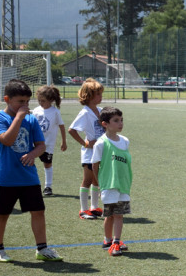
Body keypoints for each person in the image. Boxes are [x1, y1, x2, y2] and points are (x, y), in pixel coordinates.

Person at [0, 79, 62, 262]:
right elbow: (6, 140)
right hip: (5, 176)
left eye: (27, 102)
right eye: (20, 101)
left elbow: (41, 146)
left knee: (38, 211)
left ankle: (42, 249)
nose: (25, 105)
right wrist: (19, 118)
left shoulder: (31, 119)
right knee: (2, 213)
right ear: (7, 99)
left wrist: (33, 154)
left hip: (28, 176)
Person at [91, 107, 132, 257]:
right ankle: (110, 241)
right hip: (109, 185)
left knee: (118, 214)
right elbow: (95, 165)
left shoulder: (125, 141)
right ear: (105, 124)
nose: (120, 123)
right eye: (116, 121)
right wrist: (100, 183)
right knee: (110, 215)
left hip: (123, 184)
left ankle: (115, 241)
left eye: (121, 120)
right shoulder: (101, 143)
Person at [68, 78, 105, 220]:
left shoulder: (100, 111)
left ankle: (94, 207)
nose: (101, 97)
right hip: (90, 153)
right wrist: (85, 143)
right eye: (98, 94)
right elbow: (72, 130)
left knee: (97, 180)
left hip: (101, 151)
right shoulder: (85, 112)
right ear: (89, 96)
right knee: (88, 180)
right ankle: (83, 210)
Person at [32, 85, 67, 196]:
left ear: (51, 100)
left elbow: (61, 126)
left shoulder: (55, 112)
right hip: (34, 143)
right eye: (39, 100)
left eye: (43, 101)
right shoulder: (36, 110)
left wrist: (64, 141)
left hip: (48, 144)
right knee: (29, 162)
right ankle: (30, 185)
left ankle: (48, 186)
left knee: (47, 164)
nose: (40, 103)